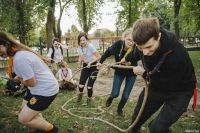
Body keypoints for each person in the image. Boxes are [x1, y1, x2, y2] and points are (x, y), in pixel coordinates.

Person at [122, 17, 196, 133]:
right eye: (141, 48)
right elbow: (137, 51)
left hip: (180, 91)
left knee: (157, 129)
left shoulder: (177, 54)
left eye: (148, 47)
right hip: (157, 85)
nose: (145, 52)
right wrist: (126, 58)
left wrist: (144, 73)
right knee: (137, 117)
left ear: (159, 37)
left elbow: (165, 83)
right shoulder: (143, 44)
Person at [0, 32, 59, 133]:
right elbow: (28, 72)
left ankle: (52, 129)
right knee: (26, 111)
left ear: (6, 44)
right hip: (37, 89)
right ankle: (40, 127)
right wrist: (17, 78)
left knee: (23, 118)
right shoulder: (18, 53)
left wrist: (19, 82)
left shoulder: (19, 58)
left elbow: (31, 83)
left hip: (45, 90)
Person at [97, 28, 137, 116]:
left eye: (133, 41)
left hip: (131, 73)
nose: (131, 42)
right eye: (129, 40)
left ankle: (119, 109)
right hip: (119, 72)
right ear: (124, 38)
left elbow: (144, 58)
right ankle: (111, 97)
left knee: (126, 96)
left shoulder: (136, 48)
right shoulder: (119, 44)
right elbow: (107, 52)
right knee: (115, 93)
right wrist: (100, 62)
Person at [77, 32, 101, 106]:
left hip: (94, 67)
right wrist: (79, 65)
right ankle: (80, 95)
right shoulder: (79, 48)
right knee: (81, 85)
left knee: (89, 86)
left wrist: (90, 62)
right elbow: (81, 57)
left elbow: (98, 56)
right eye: (81, 40)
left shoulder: (91, 46)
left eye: (84, 40)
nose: (82, 42)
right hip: (85, 66)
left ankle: (89, 99)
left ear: (86, 40)